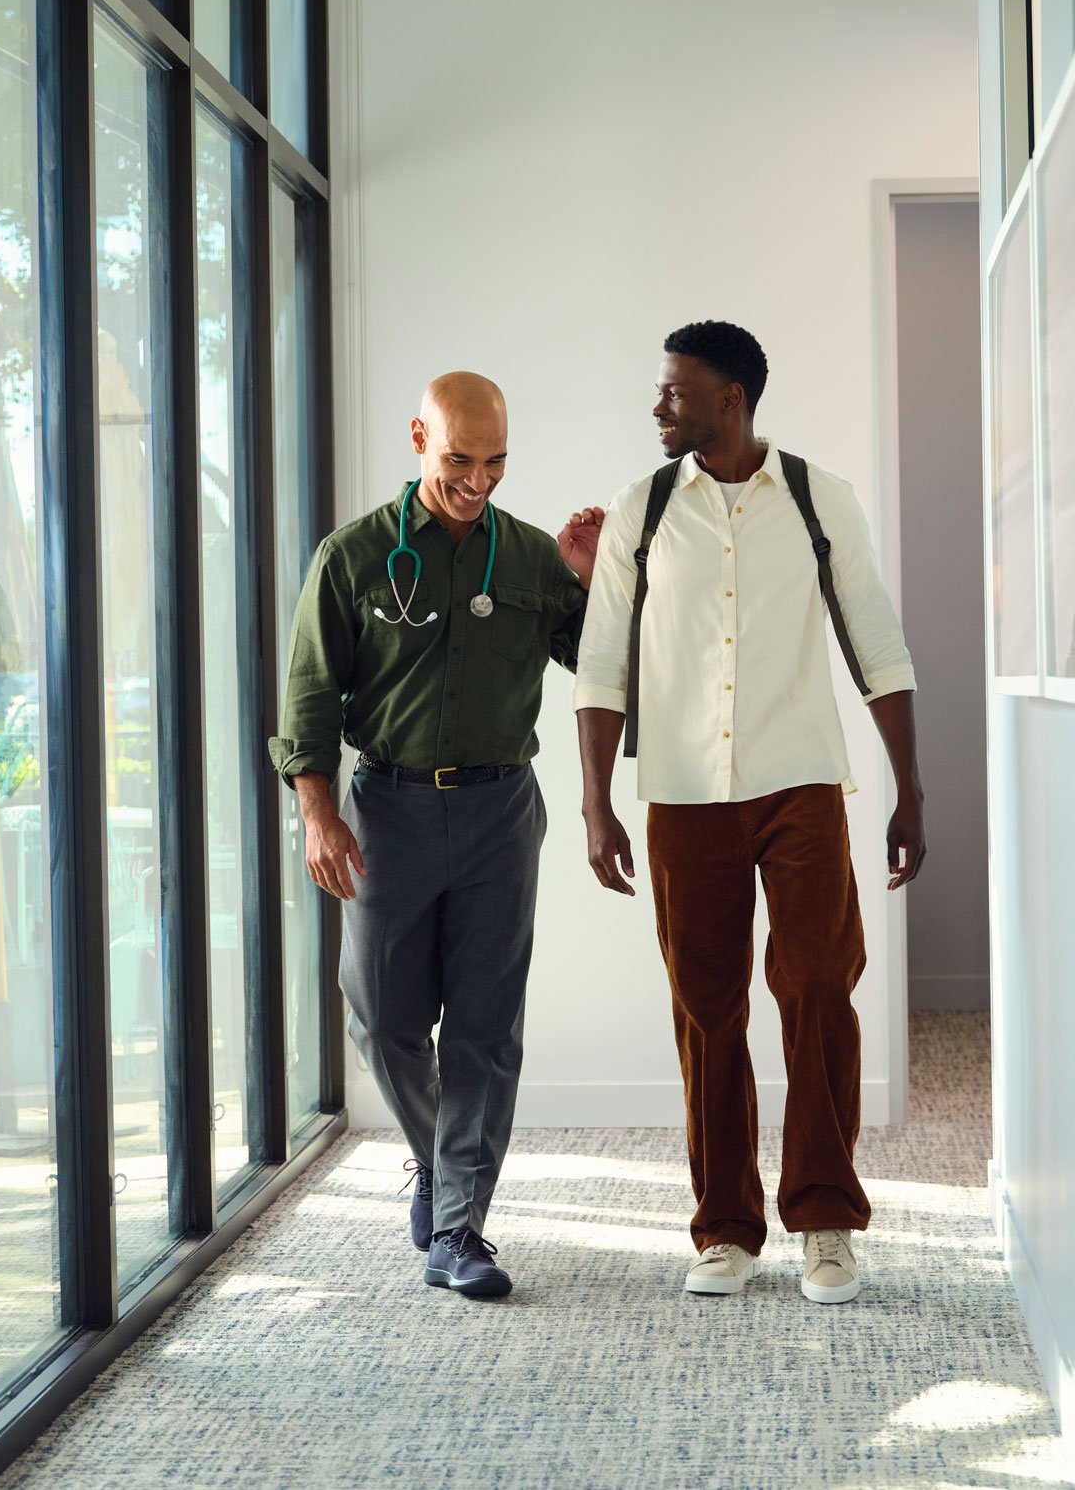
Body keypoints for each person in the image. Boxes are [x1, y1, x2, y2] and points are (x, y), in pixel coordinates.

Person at [572, 321, 927, 1305]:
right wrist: (596, 803)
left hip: (800, 782)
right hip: (682, 796)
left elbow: (877, 644)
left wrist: (909, 787)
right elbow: (602, 664)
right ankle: (724, 1227)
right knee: (705, 1008)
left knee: (818, 987)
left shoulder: (818, 500)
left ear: (728, 399)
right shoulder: (642, 510)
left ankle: (822, 1219)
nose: (657, 407)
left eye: (673, 394)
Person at [268, 371, 604, 1299]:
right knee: (379, 1014)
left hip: (501, 812)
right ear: (419, 437)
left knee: (486, 1032)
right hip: (388, 809)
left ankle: (459, 1227)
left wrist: (598, 578)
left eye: (496, 462)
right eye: (460, 459)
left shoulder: (532, 558)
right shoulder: (356, 556)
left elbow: (607, 664)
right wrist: (317, 810)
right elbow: (309, 692)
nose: (479, 480)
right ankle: (438, 1160)